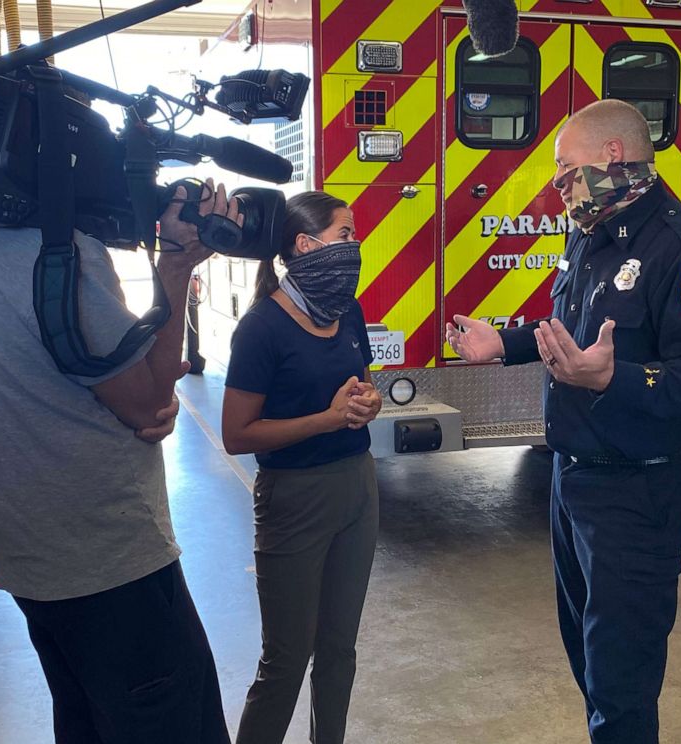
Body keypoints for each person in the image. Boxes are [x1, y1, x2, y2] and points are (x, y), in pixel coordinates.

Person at [446, 100, 681, 743]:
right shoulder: (588, 236)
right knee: (588, 660)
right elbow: (572, 336)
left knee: (622, 679)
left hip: (638, 493)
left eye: (565, 171)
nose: (559, 187)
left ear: (613, 157)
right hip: (571, 480)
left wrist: (613, 378)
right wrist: (505, 343)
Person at [0, 179, 238, 744]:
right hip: (109, 561)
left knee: (88, 719)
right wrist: (177, 267)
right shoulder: (57, 254)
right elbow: (150, 402)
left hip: (31, 563)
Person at [222, 191, 383, 744]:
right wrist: (329, 418)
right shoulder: (261, 329)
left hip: (357, 489)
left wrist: (367, 404)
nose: (355, 246)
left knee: (339, 650)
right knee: (287, 661)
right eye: (346, 235)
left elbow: (362, 386)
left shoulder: (347, 311)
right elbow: (236, 435)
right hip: (293, 500)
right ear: (305, 245)